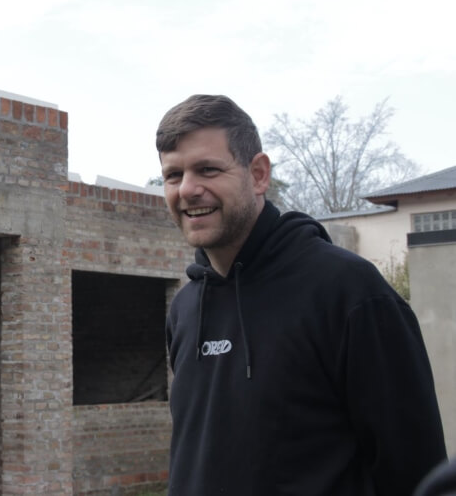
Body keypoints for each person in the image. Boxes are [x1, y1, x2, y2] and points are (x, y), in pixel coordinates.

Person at [157, 94, 447, 495]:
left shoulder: (350, 293)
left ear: (258, 174)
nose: (188, 190)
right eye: (173, 175)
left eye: (207, 169)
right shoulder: (186, 309)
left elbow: (417, 475)